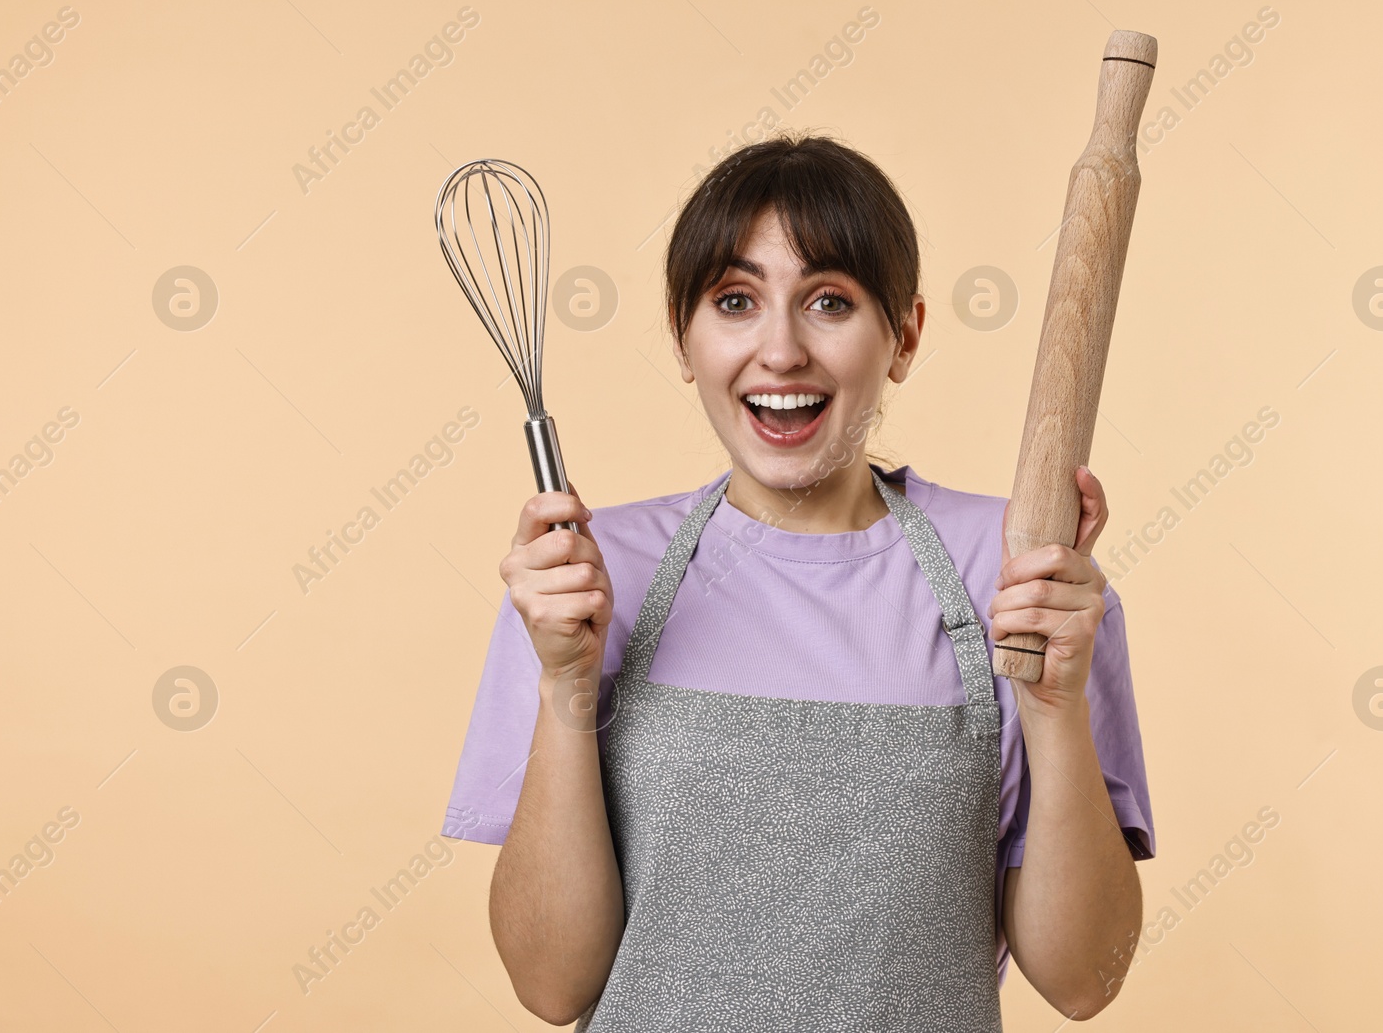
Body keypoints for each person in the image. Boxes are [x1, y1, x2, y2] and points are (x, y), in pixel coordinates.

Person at [442, 133, 1154, 1031]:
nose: (780, 351)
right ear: (682, 336)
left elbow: (1086, 978)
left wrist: (1055, 709)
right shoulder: (584, 582)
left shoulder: (1020, 574)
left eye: (829, 301)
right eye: (735, 300)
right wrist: (565, 684)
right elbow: (553, 987)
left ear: (904, 336)